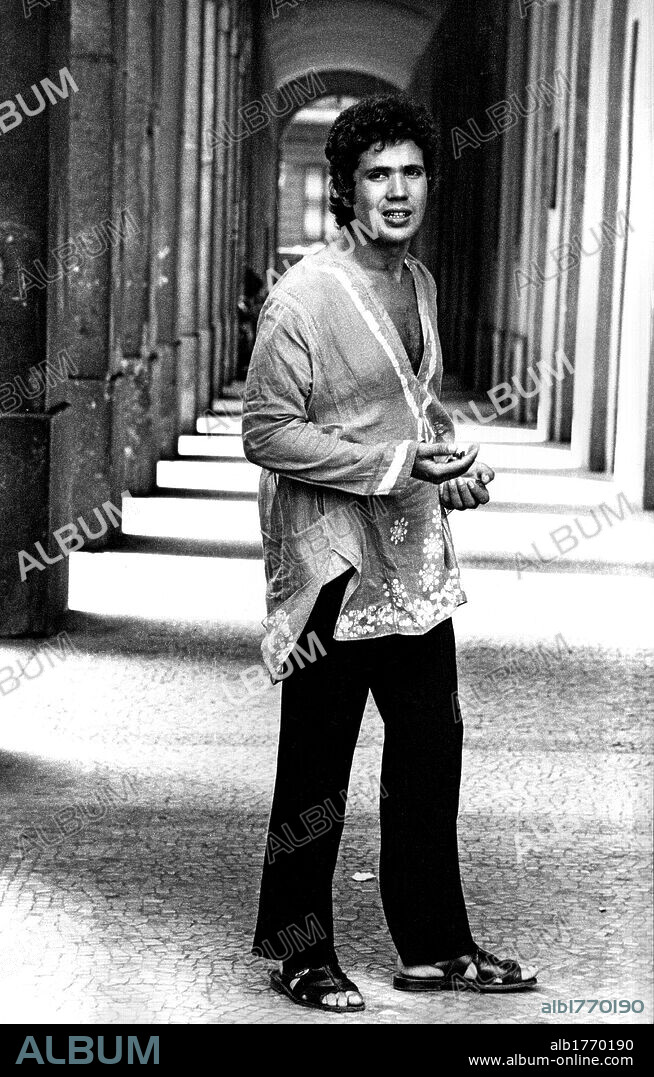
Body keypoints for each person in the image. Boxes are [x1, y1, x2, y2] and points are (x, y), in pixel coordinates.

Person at [242, 93, 537, 1014]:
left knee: (429, 749)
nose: (398, 191)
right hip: (333, 562)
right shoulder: (302, 297)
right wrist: (393, 464)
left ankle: (436, 944)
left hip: (412, 562)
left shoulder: (418, 282)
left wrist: (446, 467)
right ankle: (302, 951)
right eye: (379, 175)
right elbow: (266, 431)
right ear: (344, 189)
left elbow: (413, 409)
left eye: (412, 172)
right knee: (317, 765)